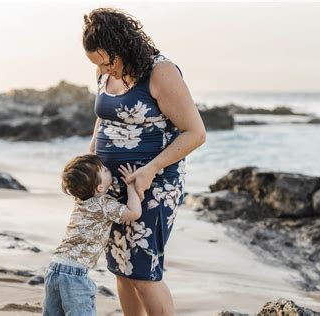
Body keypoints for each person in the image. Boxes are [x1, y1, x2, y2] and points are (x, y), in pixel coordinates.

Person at [83, 8, 206, 316]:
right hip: (109, 183)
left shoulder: (161, 72)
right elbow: (102, 122)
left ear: (122, 45)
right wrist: (90, 162)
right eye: (96, 64)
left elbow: (195, 133)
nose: (102, 70)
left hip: (154, 182)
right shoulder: (105, 70)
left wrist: (150, 169)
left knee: (143, 271)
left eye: (106, 62)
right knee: (120, 266)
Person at [43, 154, 142, 316]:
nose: (107, 168)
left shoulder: (80, 200)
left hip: (54, 268)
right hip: (74, 274)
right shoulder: (104, 204)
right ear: (100, 188)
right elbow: (134, 213)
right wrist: (131, 184)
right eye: (104, 169)